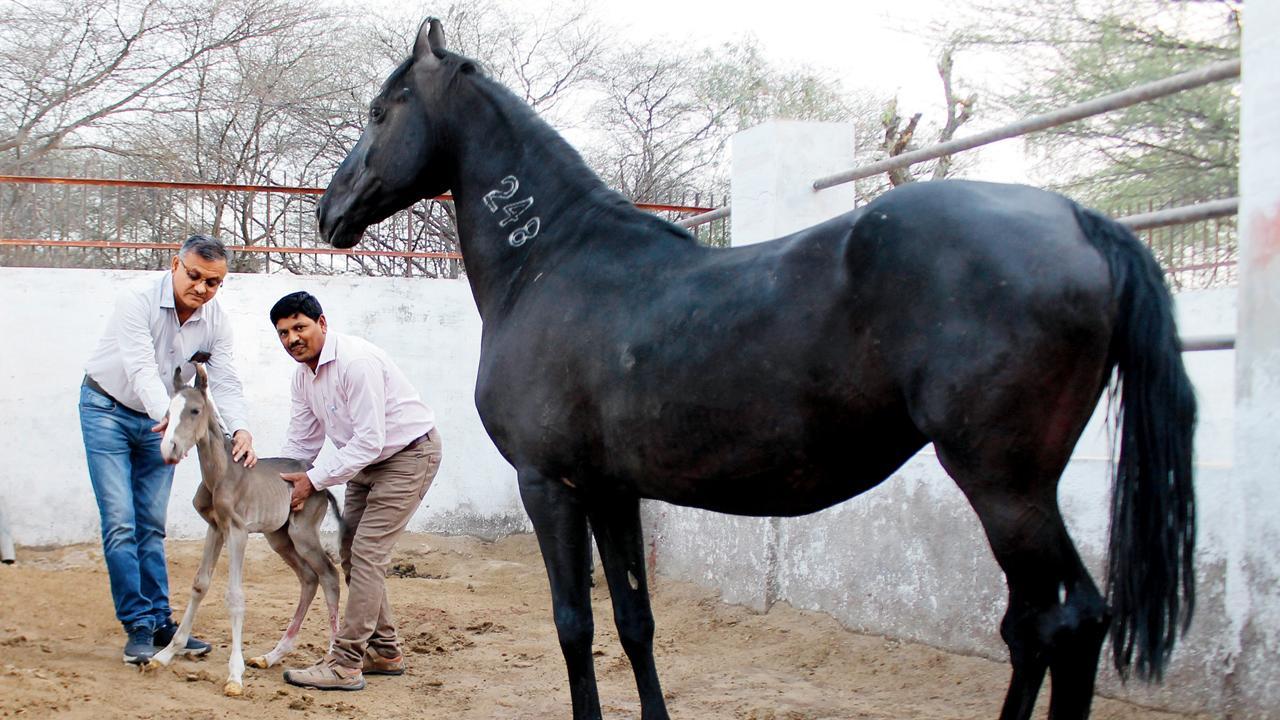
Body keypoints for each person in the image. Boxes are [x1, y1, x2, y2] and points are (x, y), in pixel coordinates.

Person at [80, 234, 258, 664]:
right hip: (108, 409)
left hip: (163, 421)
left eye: (213, 282)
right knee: (121, 522)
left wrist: (241, 428)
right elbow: (141, 368)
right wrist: (172, 425)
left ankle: (162, 622)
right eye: (194, 275)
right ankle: (138, 625)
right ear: (174, 264)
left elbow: (226, 380)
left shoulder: (216, 320)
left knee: (152, 525)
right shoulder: (136, 300)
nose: (201, 288)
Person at [271, 291, 442, 691]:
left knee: (367, 553)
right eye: (283, 333)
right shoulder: (303, 377)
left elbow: (370, 439)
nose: (293, 338)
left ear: (322, 324)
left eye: (300, 327)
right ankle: (384, 651)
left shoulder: (355, 362)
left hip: (408, 456)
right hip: (364, 462)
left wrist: (313, 480)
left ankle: (346, 662)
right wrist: (283, 483)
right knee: (350, 552)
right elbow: (301, 442)